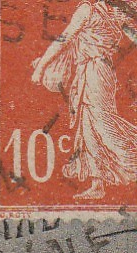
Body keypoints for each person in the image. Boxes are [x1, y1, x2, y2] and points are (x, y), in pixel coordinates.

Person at [31, 0, 137, 200]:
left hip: (97, 73)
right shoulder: (89, 10)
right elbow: (64, 39)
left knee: (101, 123)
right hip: (89, 71)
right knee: (88, 125)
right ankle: (97, 183)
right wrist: (41, 66)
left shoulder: (114, 15)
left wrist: (40, 67)